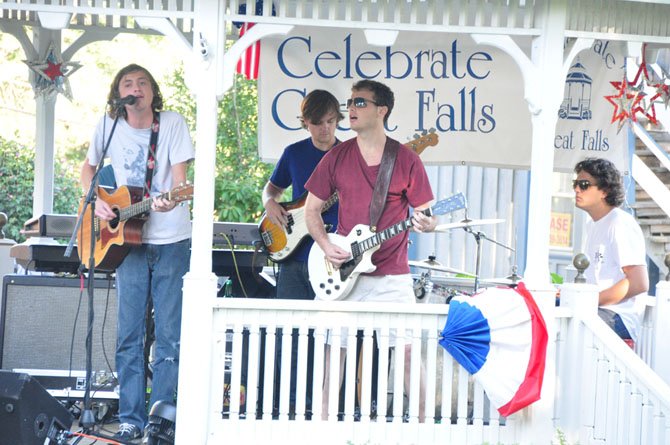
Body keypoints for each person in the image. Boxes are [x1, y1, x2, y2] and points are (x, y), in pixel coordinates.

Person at [304, 80, 437, 421]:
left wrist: (427, 223)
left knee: (407, 353)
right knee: (333, 355)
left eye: (360, 102)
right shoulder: (338, 155)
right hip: (344, 271)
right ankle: (324, 431)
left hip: (392, 275)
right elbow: (311, 210)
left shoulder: (406, 159)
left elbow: (427, 214)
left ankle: (425, 429)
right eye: (350, 102)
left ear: (382, 110)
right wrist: (325, 244)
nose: (351, 108)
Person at [80, 64, 194, 440]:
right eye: (128, 83)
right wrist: (97, 200)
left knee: (169, 336)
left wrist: (169, 201)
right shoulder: (108, 125)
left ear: (152, 90)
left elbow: (181, 184)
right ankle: (131, 417)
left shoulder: (172, 123)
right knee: (128, 335)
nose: (135, 88)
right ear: (119, 93)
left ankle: (161, 419)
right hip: (125, 243)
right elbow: (88, 169)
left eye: (142, 82)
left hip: (171, 240)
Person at [261, 89, 343, 416]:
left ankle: (318, 406)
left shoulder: (350, 154)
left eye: (330, 121)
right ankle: (287, 404)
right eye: (317, 123)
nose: (325, 129)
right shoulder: (294, 153)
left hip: (331, 257)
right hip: (294, 255)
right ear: (305, 122)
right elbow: (272, 188)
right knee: (289, 331)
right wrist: (269, 204)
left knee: (327, 336)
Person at [574, 157, 648, 344]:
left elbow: (638, 283)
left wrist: (590, 300)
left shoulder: (620, 223)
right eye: (575, 183)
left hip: (618, 316)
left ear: (605, 190)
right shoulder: (593, 225)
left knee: (567, 322)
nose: (576, 189)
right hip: (598, 309)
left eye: (584, 184)